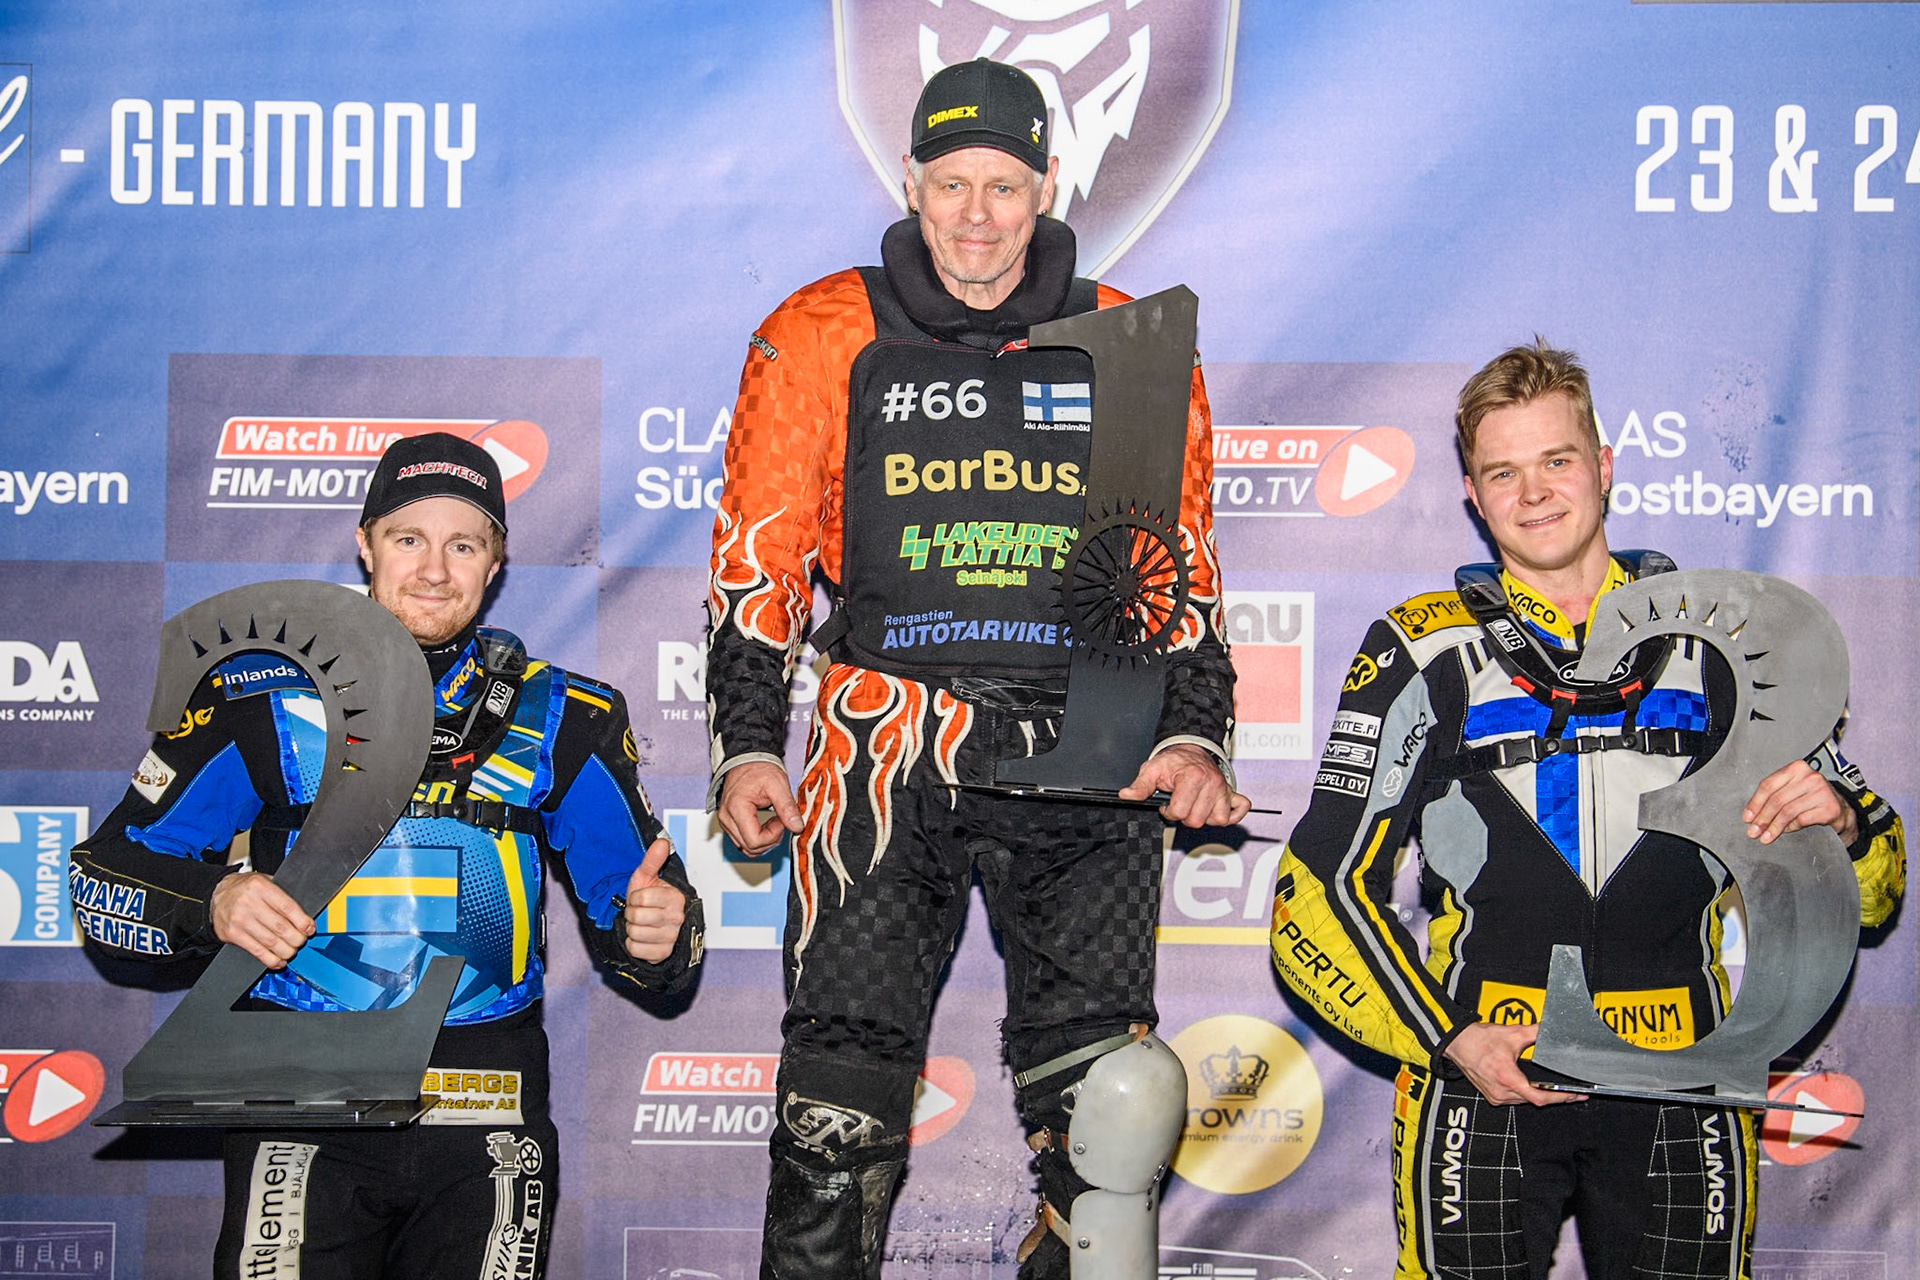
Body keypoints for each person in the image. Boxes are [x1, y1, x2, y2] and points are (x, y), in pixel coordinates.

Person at [706, 57, 1248, 1280]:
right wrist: (745, 742)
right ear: (909, 181)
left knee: (1114, 1112)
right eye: (952, 184)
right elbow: (757, 562)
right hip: (881, 755)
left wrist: (1198, 735)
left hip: (1086, 755)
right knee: (831, 1125)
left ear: (1049, 185)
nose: (977, 216)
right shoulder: (817, 330)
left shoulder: (1133, 338)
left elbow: (1182, 574)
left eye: (1004, 185)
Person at [1269, 340, 1905, 1279]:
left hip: (1687, 1073)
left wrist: (1843, 830)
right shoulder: (1419, 650)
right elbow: (1312, 895)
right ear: (1475, 499)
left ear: (1603, 469)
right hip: (1489, 1072)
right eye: (1503, 473)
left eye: (1557, 461)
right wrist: (1448, 1041)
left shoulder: (1730, 638)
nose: (1534, 493)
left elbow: (1878, 885)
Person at [68, 432, 704, 1280]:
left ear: (496, 562)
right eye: (409, 539)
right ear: (365, 543)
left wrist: (659, 933)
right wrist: (212, 904)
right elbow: (102, 877)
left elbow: (647, 916)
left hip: (487, 1102)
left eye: (463, 544)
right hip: (297, 1091)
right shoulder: (256, 698)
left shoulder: (567, 713)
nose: (435, 569)